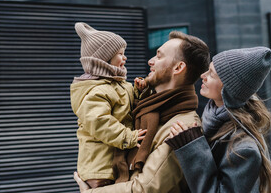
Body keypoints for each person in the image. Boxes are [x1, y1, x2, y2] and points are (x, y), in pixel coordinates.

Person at [74, 30, 211, 193]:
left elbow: (144, 188)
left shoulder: (182, 128)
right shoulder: (145, 106)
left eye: (159, 57)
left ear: (178, 67)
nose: (150, 61)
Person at [166, 47, 271, 193]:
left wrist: (191, 149)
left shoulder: (244, 149)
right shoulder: (212, 119)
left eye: (211, 74)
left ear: (228, 89)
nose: (203, 75)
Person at [70, 22, 147, 189]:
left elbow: (126, 110)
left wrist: (139, 94)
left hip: (114, 162)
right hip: (99, 168)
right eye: (120, 53)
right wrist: (128, 137)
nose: (125, 58)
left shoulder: (120, 85)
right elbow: (99, 121)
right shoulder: (97, 91)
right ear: (103, 59)